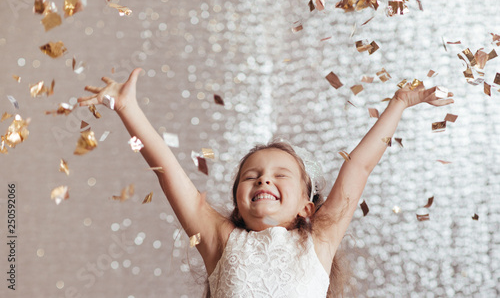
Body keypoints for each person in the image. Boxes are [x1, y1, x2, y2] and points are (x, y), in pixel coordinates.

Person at [78, 68, 454, 297]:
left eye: (280, 175)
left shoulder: (319, 240)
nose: (264, 180)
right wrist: (128, 110)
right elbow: (166, 169)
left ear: (308, 205)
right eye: (252, 176)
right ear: (238, 199)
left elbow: (358, 168)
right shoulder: (222, 241)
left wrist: (400, 103)